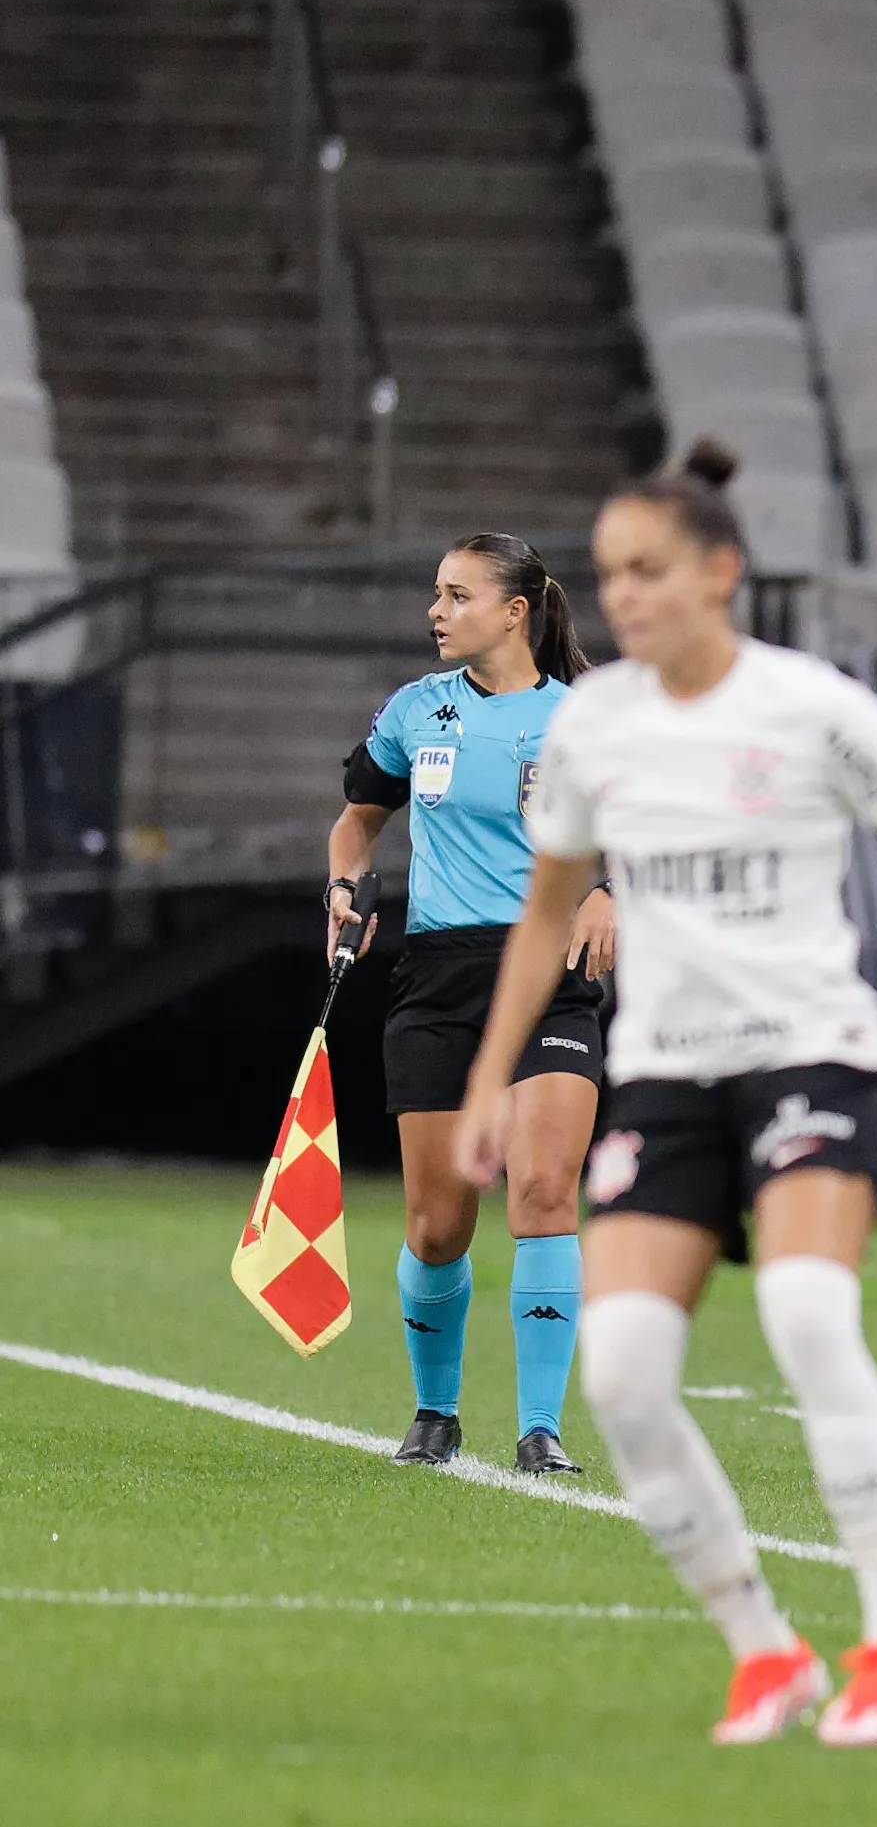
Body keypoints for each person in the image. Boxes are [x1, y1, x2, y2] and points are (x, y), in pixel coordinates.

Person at [448, 442, 877, 1748]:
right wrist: (483, 1079)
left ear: (720, 572)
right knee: (624, 1373)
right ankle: (764, 1647)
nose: (625, 594)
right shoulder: (598, 723)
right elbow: (547, 912)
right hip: (671, 1076)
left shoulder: (818, 709)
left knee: (805, 1304)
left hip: (814, 1056)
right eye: (613, 572)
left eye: (652, 569)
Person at [326, 534, 615, 1474]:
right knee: (437, 1225)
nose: (435, 610)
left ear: (513, 611)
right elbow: (359, 817)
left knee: (541, 1189)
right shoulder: (416, 711)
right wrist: (345, 883)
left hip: (551, 974)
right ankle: (436, 1412)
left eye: (455, 595)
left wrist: (609, 889)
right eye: (435, 594)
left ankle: (541, 1428)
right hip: (440, 980)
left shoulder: (585, 718)